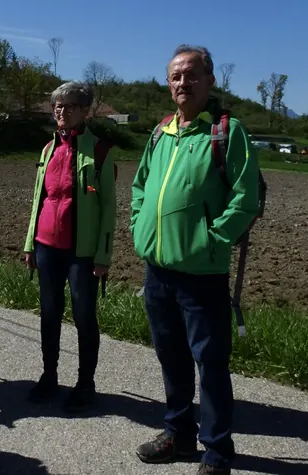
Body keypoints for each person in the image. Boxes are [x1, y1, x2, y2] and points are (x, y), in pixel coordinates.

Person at [130, 45, 261, 475]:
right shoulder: (161, 132)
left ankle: (218, 451)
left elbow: (246, 198)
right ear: (168, 84)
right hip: (158, 270)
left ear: (210, 80)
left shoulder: (226, 132)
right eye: (175, 76)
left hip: (202, 273)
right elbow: (140, 187)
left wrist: (212, 240)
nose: (182, 83)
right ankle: (179, 433)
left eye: (191, 75)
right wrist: (138, 226)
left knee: (211, 364)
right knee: (171, 357)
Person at [23, 81, 117, 413]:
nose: (61, 112)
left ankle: (85, 383)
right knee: (49, 314)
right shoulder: (48, 150)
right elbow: (39, 199)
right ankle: (49, 376)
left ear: (85, 111)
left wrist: (103, 255)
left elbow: (108, 209)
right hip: (47, 246)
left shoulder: (100, 151)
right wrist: (29, 244)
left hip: (83, 252)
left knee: (83, 316)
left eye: (69, 106)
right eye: (57, 107)